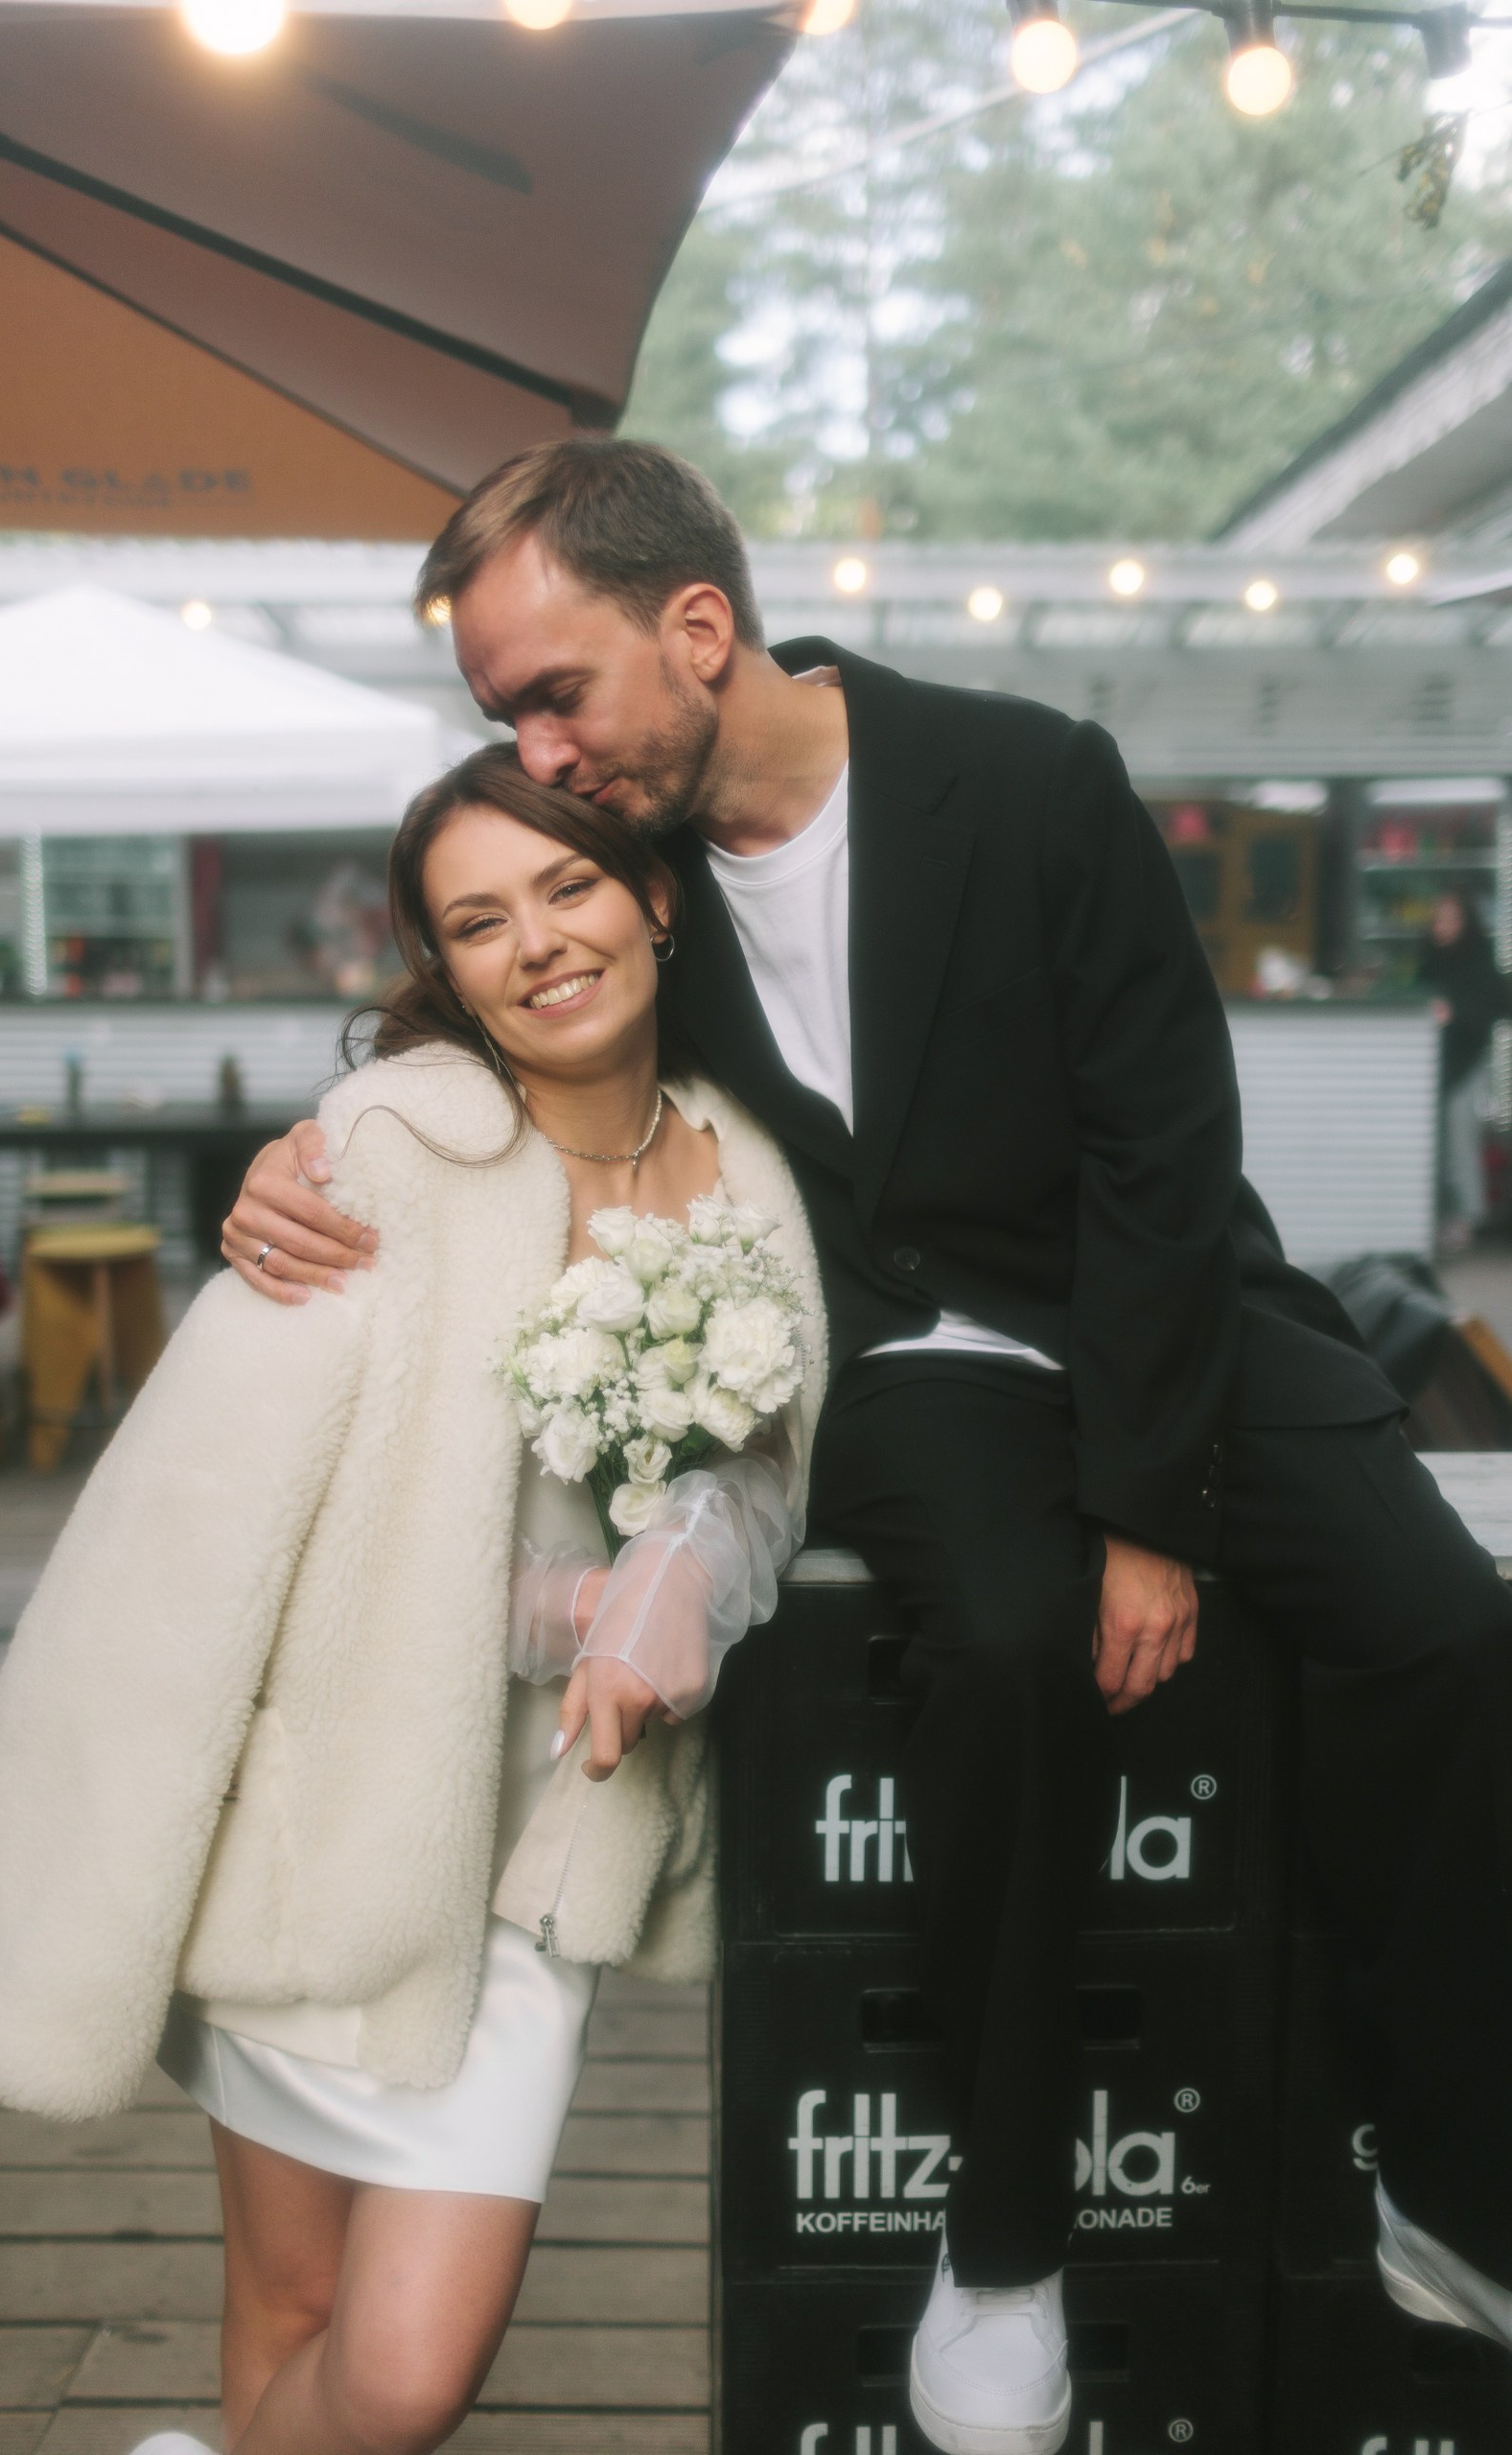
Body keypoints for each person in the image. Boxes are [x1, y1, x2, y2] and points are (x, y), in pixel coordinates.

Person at [230, 438, 1512, 2455]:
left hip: (1152, 1301)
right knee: (999, 1641)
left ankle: (1441, 2175)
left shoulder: (1026, 777)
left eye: (553, 695)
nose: (537, 754)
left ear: (698, 625)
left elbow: (1163, 1142)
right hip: (901, 1360)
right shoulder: (629, 877)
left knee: (1445, 1622)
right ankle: (999, 2242)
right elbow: (487, 1026)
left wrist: (1146, 1508)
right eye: (504, 717)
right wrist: (298, 1165)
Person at [0, 745, 826, 2455]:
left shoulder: (754, 1174)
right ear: (444, 969)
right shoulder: (390, 1154)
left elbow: (768, 1465)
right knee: (299, 2311)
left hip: (540, 1849)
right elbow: (232, 1523)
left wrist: (684, 1561)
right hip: (324, 1827)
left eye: (566, 886)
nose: (535, 943)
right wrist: (574, 1601)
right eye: (477, 923)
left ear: (654, 897)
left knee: (403, 2367)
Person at [1417, 888, 1510, 1252]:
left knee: (1459, 1144)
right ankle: (1451, 1218)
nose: (1441, 927)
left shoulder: (1477, 964)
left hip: (1467, 1064)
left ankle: (1467, 1218)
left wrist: (1454, 1013)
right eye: (1438, 919)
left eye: (1450, 920)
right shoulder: (1432, 960)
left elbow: (1494, 1008)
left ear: (1465, 923)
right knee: (1442, 1145)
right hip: (1436, 1065)